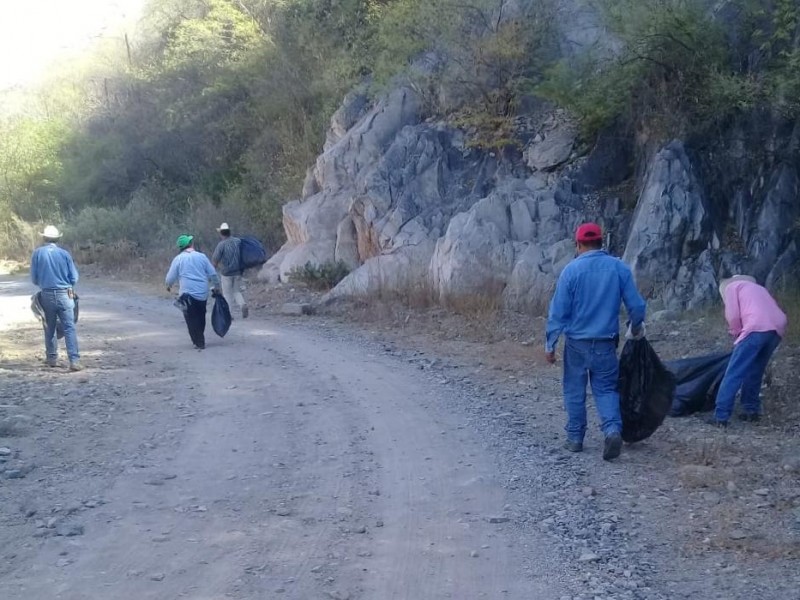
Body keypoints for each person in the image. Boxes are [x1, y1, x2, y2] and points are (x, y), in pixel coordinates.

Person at [545, 223, 646, 461]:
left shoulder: (571, 271)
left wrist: (550, 344)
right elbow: (638, 306)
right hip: (605, 343)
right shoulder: (619, 268)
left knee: (574, 390)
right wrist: (636, 326)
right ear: (602, 242)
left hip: (576, 344)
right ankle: (612, 430)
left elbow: (557, 312)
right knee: (606, 389)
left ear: (578, 245)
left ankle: (575, 439)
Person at [706, 275, 788, 426]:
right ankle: (751, 410)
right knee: (755, 370)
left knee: (734, 372)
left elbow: (733, 315)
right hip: (777, 327)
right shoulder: (758, 288)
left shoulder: (731, 287)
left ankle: (720, 416)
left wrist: (736, 333)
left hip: (756, 327)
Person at [30, 225, 82, 371]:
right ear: (58, 238)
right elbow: (74, 277)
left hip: (46, 294)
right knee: (69, 327)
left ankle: (52, 358)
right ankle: (74, 361)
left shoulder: (37, 254)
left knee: (49, 327)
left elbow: (34, 279)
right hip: (65, 293)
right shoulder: (65, 254)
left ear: (44, 238)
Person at [166, 235, 221, 350]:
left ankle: (197, 341)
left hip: (187, 294)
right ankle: (200, 338)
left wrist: (169, 285)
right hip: (202, 293)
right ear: (191, 244)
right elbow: (212, 273)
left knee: (190, 317)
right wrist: (217, 286)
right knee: (201, 315)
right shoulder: (202, 256)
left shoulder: (178, 259)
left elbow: (170, 278)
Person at [211, 222, 248, 319]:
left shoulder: (221, 245)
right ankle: (242, 304)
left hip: (226, 273)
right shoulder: (238, 241)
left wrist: (211, 272)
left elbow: (215, 260)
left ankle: (229, 314)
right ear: (229, 232)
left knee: (227, 294)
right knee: (237, 291)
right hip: (238, 271)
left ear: (221, 233)